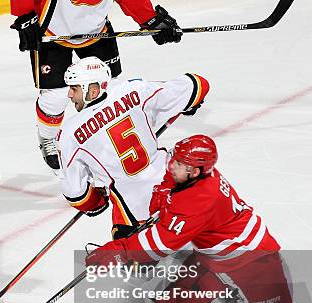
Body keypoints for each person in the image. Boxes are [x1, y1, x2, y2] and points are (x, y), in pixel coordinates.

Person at [86, 135, 312, 303]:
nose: (171, 165)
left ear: (196, 170)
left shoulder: (198, 199)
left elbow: (157, 246)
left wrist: (116, 251)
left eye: (180, 163)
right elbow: (171, 190)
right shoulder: (197, 176)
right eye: (176, 159)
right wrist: (162, 194)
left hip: (254, 261)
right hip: (221, 259)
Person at [10, 0, 183, 172]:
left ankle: (109, 133)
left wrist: (151, 20)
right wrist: (25, 16)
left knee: (108, 88)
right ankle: (48, 137)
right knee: (56, 95)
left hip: (96, 30)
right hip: (51, 31)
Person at [58, 56, 208, 239]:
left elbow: (76, 194)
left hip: (133, 211)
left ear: (93, 90)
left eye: (74, 88)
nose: (69, 95)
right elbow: (197, 85)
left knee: (137, 263)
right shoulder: (133, 90)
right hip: (177, 186)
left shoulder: (69, 133)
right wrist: (190, 102)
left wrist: (98, 201)